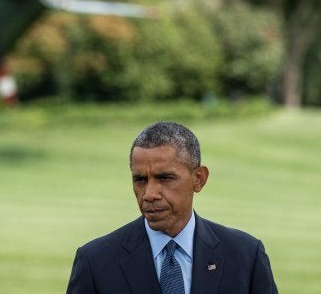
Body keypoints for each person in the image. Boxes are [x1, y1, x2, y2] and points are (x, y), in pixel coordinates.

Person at [66, 121, 277, 294]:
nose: (149, 194)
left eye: (165, 178)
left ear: (199, 179)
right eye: (140, 179)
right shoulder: (95, 261)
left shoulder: (246, 256)